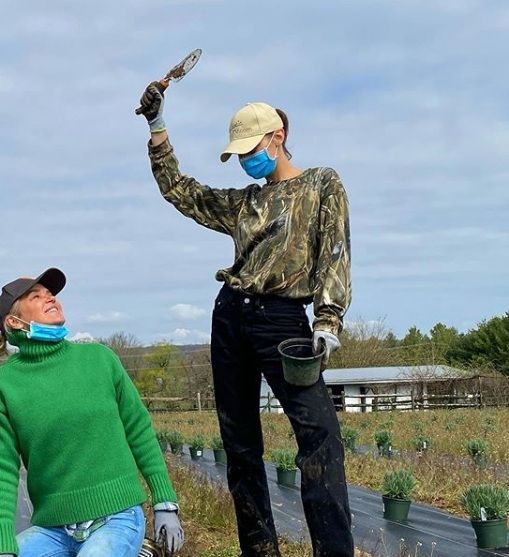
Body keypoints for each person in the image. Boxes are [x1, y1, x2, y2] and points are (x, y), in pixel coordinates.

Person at [137, 81, 354, 557]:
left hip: (284, 324)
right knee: (239, 447)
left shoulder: (322, 184)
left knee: (320, 440)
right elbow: (180, 190)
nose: (245, 162)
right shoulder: (245, 203)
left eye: (251, 150)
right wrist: (157, 127)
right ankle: (259, 551)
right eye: (238, 156)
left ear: (277, 137)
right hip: (231, 317)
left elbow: (335, 253)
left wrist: (328, 320)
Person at [0, 268, 184, 557]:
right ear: (13, 322)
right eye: (36, 296)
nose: (51, 299)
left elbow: (138, 429)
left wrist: (165, 502)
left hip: (117, 517)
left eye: (51, 294)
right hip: (52, 529)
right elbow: (4, 469)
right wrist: (5, 546)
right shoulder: (6, 384)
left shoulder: (99, 359)